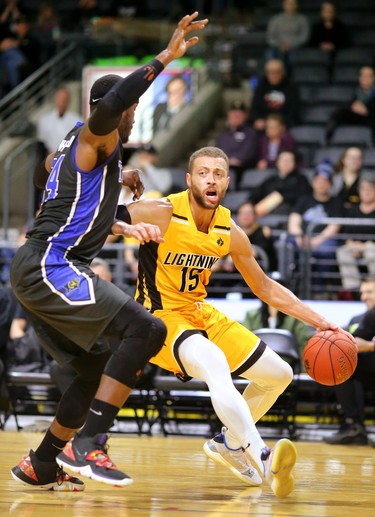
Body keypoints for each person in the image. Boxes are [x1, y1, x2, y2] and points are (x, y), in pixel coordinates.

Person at [10, 12, 208, 491]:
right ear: (111, 109)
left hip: (39, 267)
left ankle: (42, 461)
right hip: (50, 267)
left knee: (92, 367)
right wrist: (166, 55)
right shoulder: (94, 133)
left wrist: (117, 203)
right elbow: (112, 105)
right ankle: (89, 443)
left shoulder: (75, 152)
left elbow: (56, 189)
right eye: (131, 109)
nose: (134, 115)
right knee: (146, 328)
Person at [122, 145, 352, 499]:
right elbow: (96, 219)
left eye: (217, 173)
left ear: (227, 182)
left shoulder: (229, 229)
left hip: (198, 312)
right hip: (159, 316)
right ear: (189, 179)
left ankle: (229, 443)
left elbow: (265, 287)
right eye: (202, 172)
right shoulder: (161, 210)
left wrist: (319, 321)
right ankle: (261, 454)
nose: (210, 179)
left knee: (279, 375)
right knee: (215, 363)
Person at [324, 277, 375, 445]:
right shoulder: (368, 316)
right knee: (340, 361)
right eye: (362, 293)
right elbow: (353, 344)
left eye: (369, 292)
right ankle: (354, 427)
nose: (363, 297)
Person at [287, 159, 343, 294]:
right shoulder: (304, 200)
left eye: (325, 181)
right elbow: (294, 221)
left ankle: (318, 289)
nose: (321, 184)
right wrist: (300, 237)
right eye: (318, 181)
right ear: (313, 183)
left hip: (323, 240)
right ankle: (290, 286)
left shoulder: (336, 203)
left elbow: (335, 226)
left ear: (330, 184)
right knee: (287, 244)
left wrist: (317, 240)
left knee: (327, 249)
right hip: (302, 237)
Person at [242, 273, 313, 366]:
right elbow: (243, 342)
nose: (274, 293)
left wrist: (305, 371)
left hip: (286, 368)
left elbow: (303, 345)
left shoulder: (294, 319)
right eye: (270, 289)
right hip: (256, 367)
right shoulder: (251, 316)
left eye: (279, 289)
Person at [336, 173, 375, 291]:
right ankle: (354, 290)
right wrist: (352, 244)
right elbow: (346, 233)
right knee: (342, 252)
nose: (367, 192)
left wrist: (365, 245)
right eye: (364, 189)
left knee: (372, 252)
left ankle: (373, 288)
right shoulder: (352, 210)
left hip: (371, 246)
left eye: (370, 189)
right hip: (355, 246)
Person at [249, 150, 311, 218]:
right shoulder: (270, 180)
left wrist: (281, 197)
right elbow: (255, 194)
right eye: (284, 160)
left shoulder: (301, 179)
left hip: (290, 214)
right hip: (265, 214)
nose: (286, 163)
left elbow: (304, 197)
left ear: (295, 164)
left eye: (290, 160)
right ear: (277, 162)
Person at [214, 100, 259, 188]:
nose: (236, 116)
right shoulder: (223, 134)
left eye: (239, 114)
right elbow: (217, 151)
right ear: (229, 115)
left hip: (241, 169)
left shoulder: (250, 133)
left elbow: (250, 152)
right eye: (234, 113)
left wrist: (237, 160)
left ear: (245, 116)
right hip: (223, 167)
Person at [326, 66, 375, 143]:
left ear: (373, 78)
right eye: (362, 75)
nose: (364, 78)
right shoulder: (357, 92)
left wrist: (367, 111)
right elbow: (346, 105)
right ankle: (329, 140)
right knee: (339, 113)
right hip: (357, 117)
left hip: (371, 120)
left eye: (367, 76)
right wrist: (352, 106)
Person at [249, 59, 300, 131]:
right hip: (265, 125)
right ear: (267, 73)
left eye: (277, 72)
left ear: (283, 73)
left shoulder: (291, 87)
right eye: (271, 72)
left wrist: (281, 123)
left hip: (283, 125)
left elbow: (293, 110)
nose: (274, 75)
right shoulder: (261, 86)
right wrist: (257, 119)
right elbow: (254, 108)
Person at [265, 0, 310, 73]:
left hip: (295, 48)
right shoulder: (276, 19)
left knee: (292, 58)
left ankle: (289, 77)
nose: (290, 6)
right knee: (269, 54)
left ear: (296, 5)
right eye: (288, 4)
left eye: (292, 4)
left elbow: (304, 37)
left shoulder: (302, 20)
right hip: (277, 47)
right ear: (284, 5)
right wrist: (280, 45)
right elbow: (270, 36)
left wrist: (291, 45)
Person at [36, 87, 82, 156]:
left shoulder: (77, 120)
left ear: (69, 100)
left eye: (65, 98)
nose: (62, 101)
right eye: (60, 98)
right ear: (55, 99)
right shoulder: (44, 120)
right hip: (50, 158)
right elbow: (41, 143)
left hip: (69, 158)